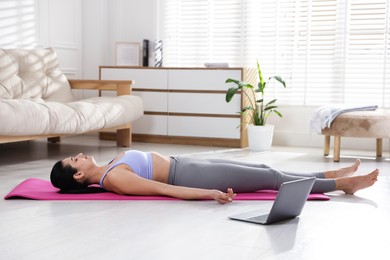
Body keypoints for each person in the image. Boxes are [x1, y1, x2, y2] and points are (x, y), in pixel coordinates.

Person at [50, 150, 379, 204]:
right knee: (273, 179)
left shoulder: (110, 165)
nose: (79, 154)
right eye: (74, 159)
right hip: (190, 176)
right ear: (78, 173)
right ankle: (341, 185)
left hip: (189, 162)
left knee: (266, 171)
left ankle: (326, 174)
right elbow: (164, 190)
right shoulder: (114, 179)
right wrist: (208, 194)